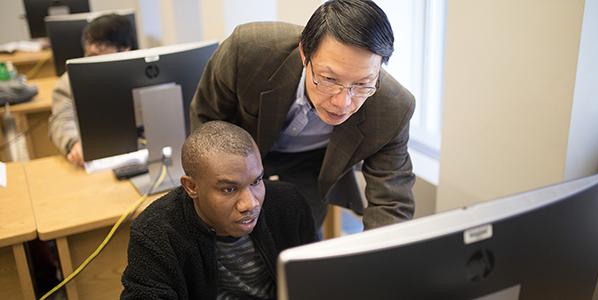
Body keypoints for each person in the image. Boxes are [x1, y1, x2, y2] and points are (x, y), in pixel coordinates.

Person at [190, 0, 416, 230]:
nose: (343, 103)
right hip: (237, 156)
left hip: (311, 165)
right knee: (226, 238)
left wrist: (378, 261)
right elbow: (207, 118)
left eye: (362, 84)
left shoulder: (394, 107)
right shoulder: (248, 50)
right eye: (329, 79)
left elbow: (391, 203)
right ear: (304, 54)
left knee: (301, 237)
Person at [121, 121, 316, 299]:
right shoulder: (155, 233)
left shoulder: (288, 203)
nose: (250, 204)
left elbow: (315, 278)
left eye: (256, 181)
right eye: (229, 189)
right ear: (191, 187)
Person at [48, 13, 134, 166]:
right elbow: (62, 119)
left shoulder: (143, 73)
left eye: (103, 43)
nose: (93, 48)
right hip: (97, 160)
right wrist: (74, 143)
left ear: (124, 48)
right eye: (90, 42)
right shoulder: (68, 81)